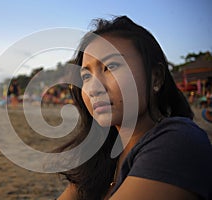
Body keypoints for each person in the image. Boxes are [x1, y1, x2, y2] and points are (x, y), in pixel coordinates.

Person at [56, 16, 212, 200]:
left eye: (111, 67)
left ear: (156, 78)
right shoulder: (101, 157)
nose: (93, 89)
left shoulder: (179, 142)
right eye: (86, 76)